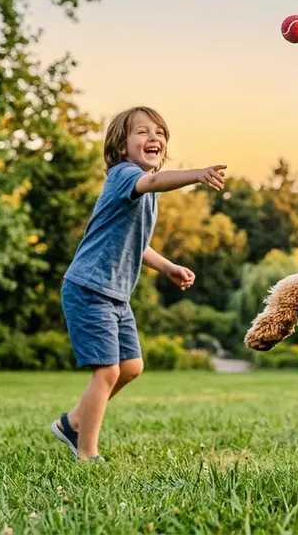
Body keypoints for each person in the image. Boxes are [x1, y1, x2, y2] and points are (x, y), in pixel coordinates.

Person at [50, 106, 227, 461]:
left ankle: (73, 422)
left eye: (160, 133)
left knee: (131, 367)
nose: (154, 138)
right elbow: (155, 180)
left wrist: (167, 267)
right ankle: (86, 453)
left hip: (116, 295)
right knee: (107, 370)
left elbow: (136, 243)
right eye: (143, 132)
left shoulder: (146, 194)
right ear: (120, 147)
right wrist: (197, 175)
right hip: (90, 288)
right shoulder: (123, 176)